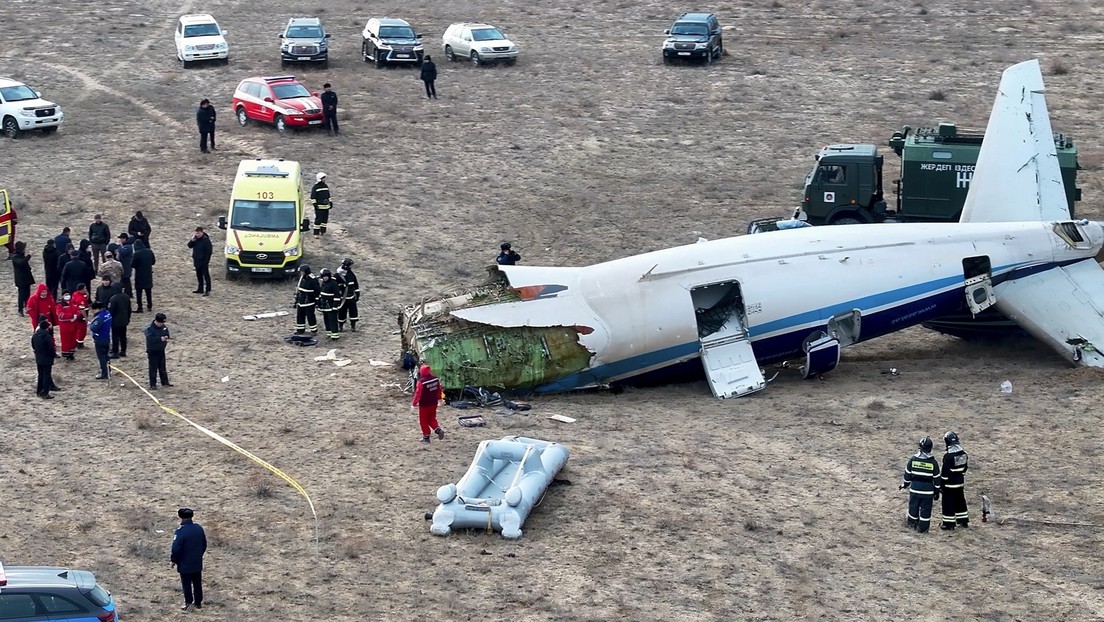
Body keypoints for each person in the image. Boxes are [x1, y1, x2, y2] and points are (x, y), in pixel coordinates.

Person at [900, 436, 942, 533]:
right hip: (928, 491)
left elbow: (907, 475)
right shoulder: (933, 463)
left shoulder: (913, 460)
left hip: (915, 489)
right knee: (926, 510)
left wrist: (905, 485)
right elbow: (937, 479)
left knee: (913, 507)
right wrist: (936, 492)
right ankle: (923, 529)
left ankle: (912, 524)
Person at [170, 507, 207, 611]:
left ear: (180, 517)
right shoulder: (199, 528)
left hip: (185, 562)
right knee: (197, 582)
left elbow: (176, 548)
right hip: (197, 560)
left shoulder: (180, 531)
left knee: (186, 584)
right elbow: (204, 544)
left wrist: (174, 560)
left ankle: (188, 602)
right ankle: (198, 602)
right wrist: (199, 554)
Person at [940, 431, 970, 530]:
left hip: (949, 486)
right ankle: (963, 520)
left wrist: (942, 485)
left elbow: (945, 474)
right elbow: (964, 468)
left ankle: (949, 524)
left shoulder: (948, 457)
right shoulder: (964, 454)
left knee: (948, 503)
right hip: (960, 483)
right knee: (960, 501)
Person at [411, 364, 446, 443]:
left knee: (423, 421)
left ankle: (426, 437)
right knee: (432, 418)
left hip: (424, 405)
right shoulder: (435, 379)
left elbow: (418, 393)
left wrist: (414, 403)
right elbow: (439, 390)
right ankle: (438, 430)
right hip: (433, 403)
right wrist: (440, 399)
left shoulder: (421, 382)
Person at [145, 312, 172, 389]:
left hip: (161, 350)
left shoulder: (163, 327)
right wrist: (160, 339)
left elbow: (167, 333)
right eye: (161, 323)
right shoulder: (150, 328)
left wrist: (166, 337)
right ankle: (153, 384)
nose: (162, 324)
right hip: (153, 351)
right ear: (156, 321)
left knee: (162, 367)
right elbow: (150, 339)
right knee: (153, 368)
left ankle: (165, 382)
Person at [31, 318, 57, 399]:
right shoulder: (47, 337)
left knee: (40, 375)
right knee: (46, 375)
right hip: (47, 359)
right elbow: (50, 348)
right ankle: (45, 393)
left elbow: (33, 345)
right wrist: (53, 355)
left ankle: (39, 392)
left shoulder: (35, 335)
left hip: (38, 358)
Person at [293, 264, 319, 334]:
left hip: (309, 301)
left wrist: (317, 301)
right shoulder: (302, 278)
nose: (301, 273)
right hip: (301, 300)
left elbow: (317, 291)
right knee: (300, 316)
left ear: (306, 271)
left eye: (302, 272)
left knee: (310, 316)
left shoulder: (313, 279)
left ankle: (313, 330)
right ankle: (300, 330)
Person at [131, 239, 156, 313]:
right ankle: (149, 306)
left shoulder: (136, 254)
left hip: (139, 275)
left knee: (139, 292)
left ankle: (140, 307)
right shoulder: (149, 251)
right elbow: (153, 262)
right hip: (148, 275)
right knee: (148, 292)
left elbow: (132, 264)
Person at [89, 301, 112, 380]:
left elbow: (93, 328)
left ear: (97, 309)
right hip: (107, 338)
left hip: (100, 339)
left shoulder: (100, 318)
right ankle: (109, 371)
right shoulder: (107, 313)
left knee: (101, 357)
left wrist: (91, 324)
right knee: (106, 356)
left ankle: (104, 374)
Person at [187, 226, 213, 295]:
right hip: (197, 260)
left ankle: (208, 290)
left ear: (202, 232)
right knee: (199, 275)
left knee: (206, 275)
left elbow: (209, 252)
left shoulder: (206, 240)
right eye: (196, 233)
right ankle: (200, 288)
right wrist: (192, 240)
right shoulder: (195, 239)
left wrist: (206, 261)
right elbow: (189, 246)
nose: (197, 235)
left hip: (204, 261)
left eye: (198, 233)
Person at [317, 268, 342, 340]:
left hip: (331, 305)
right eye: (323, 276)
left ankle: (335, 335)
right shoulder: (324, 283)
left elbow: (337, 296)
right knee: (326, 319)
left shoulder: (333, 283)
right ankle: (329, 333)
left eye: (326, 276)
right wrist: (319, 303)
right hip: (324, 305)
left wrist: (335, 305)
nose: (324, 278)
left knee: (332, 320)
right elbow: (321, 293)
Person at [336, 257, 359, 332]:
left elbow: (355, 284)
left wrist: (357, 293)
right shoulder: (337, 275)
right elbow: (334, 286)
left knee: (353, 312)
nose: (350, 267)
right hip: (342, 298)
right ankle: (341, 326)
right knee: (342, 312)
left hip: (351, 297)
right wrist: (341, 286)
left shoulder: (351, 274)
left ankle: (353, 326)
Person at [108, 286, 132, 359]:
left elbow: (111, 311)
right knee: (123, 336)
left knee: (115, 337)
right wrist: (128, 318)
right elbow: (129, 309)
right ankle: (123, 351)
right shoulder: (126, 297)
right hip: (124, 320)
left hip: (115, 321)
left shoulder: (113, 299)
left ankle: (115, 352)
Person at [12, 241, 34, 316]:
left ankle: (27, 307)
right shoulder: (15, 257)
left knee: (27, 293)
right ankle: (20, 309)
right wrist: (29, 256)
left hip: (26, 277)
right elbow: (21, 263)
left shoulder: (21, 255)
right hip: (21, 279)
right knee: (21, 294)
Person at [56, 293, 80, 360]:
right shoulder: (60, 305)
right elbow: (60, 315)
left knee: (72, 340)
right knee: (66, 341)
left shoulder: (72, 303)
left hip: (73, 325)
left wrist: (76, 316)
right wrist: (72, 316)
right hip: (65, 327)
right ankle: (66, 354)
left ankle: (71, 353)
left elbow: (77, 311)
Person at [310, 172, 332, 237]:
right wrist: (315, 205)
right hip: (319, 207)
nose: (324, 179)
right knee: (318, 220)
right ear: (319, 179)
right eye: (323, 178)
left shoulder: (325, 186)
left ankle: (323, 231)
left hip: (326, 207)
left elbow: (328, 195)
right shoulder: (315, 187)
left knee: (325, 220)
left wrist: (330, 202)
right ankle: (316, 233)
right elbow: (313, 197)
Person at [71, 283, 90, 348]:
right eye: (85, 288)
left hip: (76, 314)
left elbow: (86, 298)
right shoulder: (80, 298)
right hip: (81, 316)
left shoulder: (75, 294)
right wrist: (86, 318)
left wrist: (87, 294)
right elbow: (82, 310)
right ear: (82, 289)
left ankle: (76, 341)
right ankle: (80, 344)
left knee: (77, 329)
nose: (86, 289)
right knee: (82, 330)